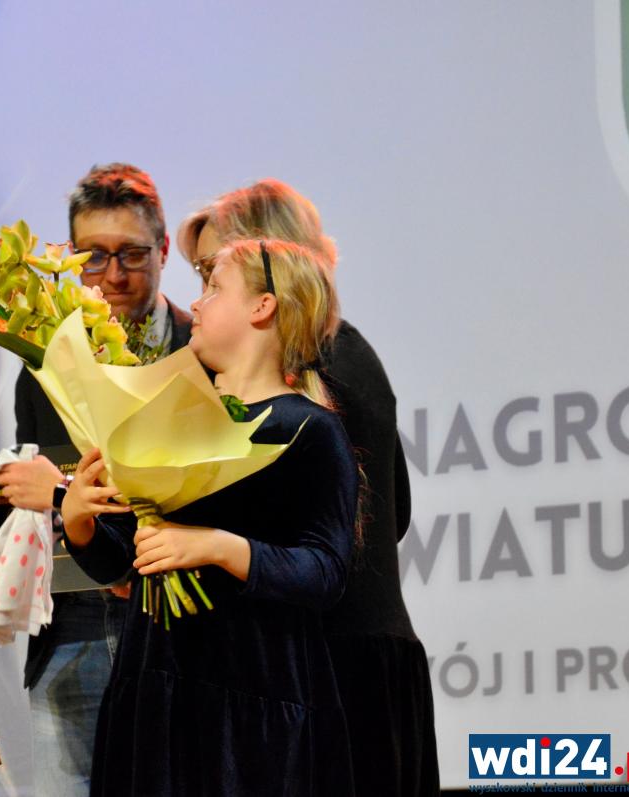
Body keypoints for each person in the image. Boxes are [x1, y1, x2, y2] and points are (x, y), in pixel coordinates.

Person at [62, 238, 358, 796]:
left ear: (263, 306)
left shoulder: (308, 429)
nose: (195, 303)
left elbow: (325, 572)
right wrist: (79, 521)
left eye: (214, 288)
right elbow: (122, 561)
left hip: (250, 697)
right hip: (155, 684)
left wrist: (218, 546)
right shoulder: (169, 418)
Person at [178, 178, 440, 795]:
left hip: (334, 663)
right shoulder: (349, 350)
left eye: (215, 274)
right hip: (364, 653)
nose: (201, 296)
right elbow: (396, 512)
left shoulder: (312, 368)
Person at [0, 163, 191, 797]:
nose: (112, 275)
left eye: (131, 253)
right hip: (72, 629)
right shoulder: (45, 363)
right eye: (93, 257)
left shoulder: (204, 351)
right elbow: (38, 498)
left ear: (163, 249)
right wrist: (28, 489)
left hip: (179, 634)